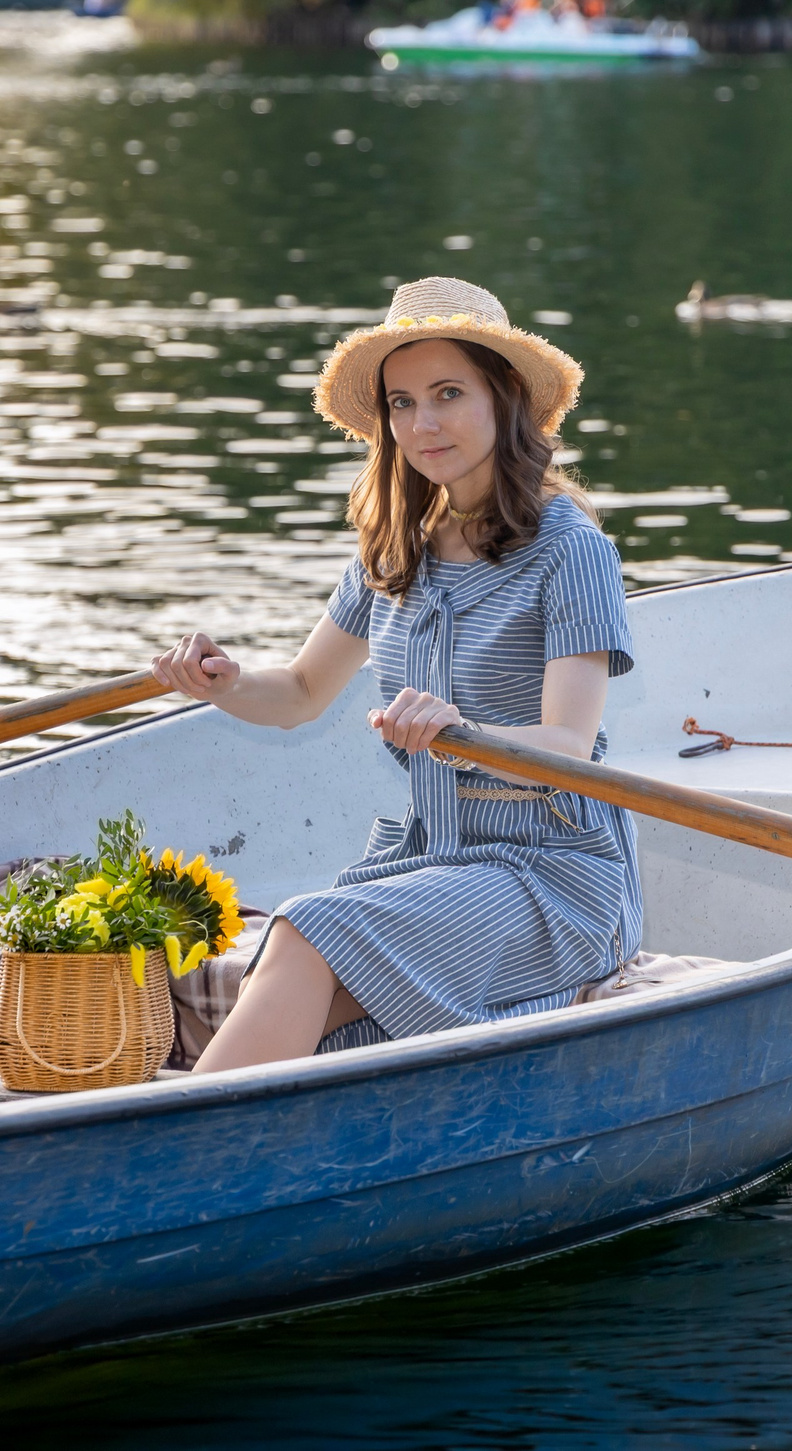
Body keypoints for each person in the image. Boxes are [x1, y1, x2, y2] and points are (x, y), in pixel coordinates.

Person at [149, 277, 640, 1072]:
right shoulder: (396, 545)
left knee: (306, 929)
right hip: (430, 865)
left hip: (550, 881)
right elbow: (303, 692)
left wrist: (462, 734)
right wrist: (225, 681)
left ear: (504, 394)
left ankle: (162, 1157)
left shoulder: (569, 545)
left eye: (448, 393)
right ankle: (190, 1161)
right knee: (296, 982)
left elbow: (569, 747)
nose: (424, 423)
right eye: (403, 403)